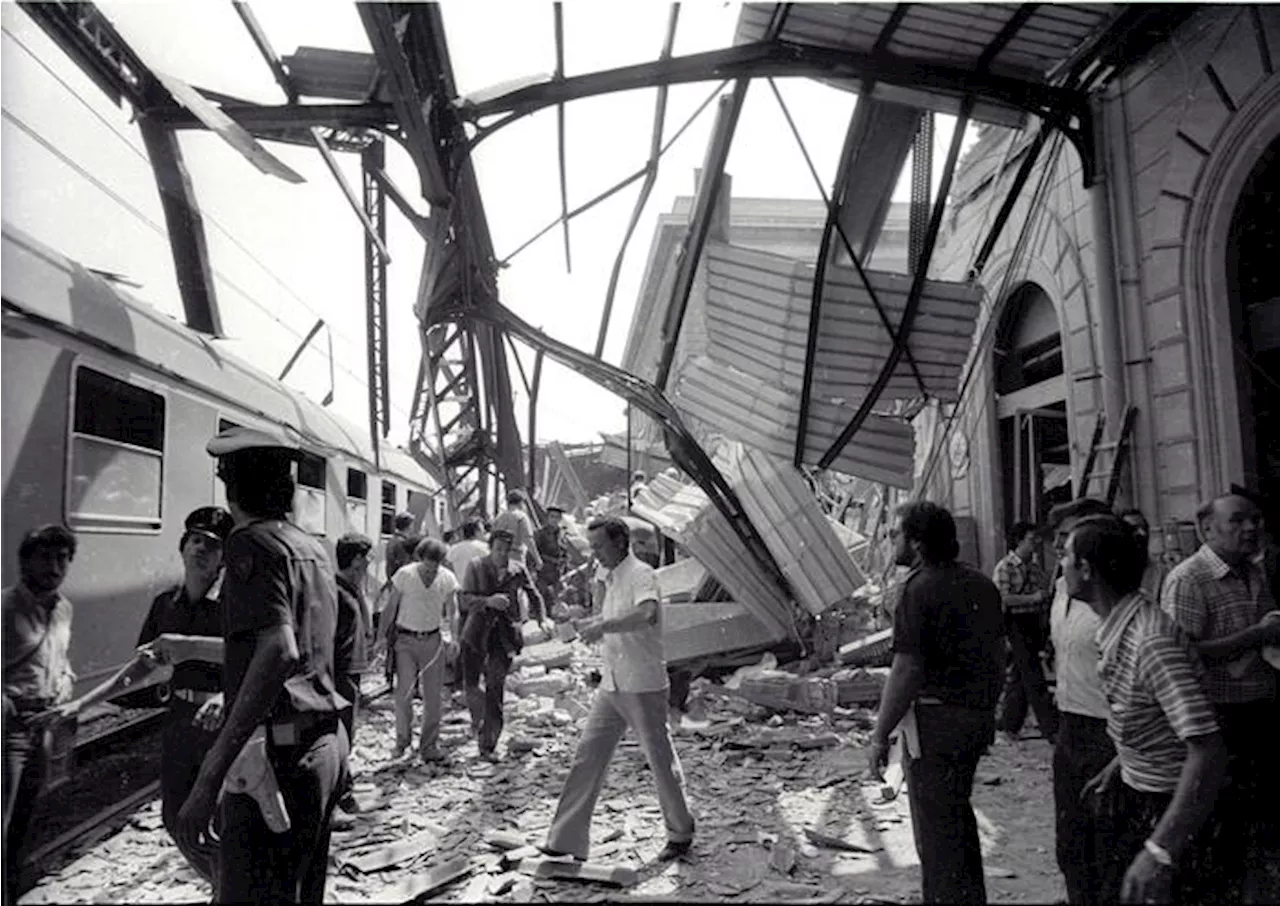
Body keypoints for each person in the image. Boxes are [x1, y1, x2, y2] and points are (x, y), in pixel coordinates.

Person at [175, 425, 348, 904]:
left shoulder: (249, 544)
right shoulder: (313, 547)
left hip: (278, 759)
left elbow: (279, 649)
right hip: (324, 745)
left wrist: (211, 773)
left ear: (230, 488)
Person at [1064, 516, 1226, 904]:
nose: (1062, 566)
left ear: (1086, 570)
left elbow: (1207, 749)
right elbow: (1155, 714)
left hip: (1172, 807)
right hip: (1142, 794)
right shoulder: (1120, 625)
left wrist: (1160, 849)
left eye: (1066, 556)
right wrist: (1122, 762)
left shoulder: (1151, 642)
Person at [867, 502, 1004, 904]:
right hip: (974, 719)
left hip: (936, 723)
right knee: (956, 818)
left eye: (897, 533)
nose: (892, 540)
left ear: (918, 541)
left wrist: (879, 735)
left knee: (937, 831)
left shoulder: (917, 589)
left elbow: (906, 669)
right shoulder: (981, 584)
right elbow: (998, 658)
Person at [542, 516, 695, 863]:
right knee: (588, 756)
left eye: (599, 546)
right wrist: (594, 623)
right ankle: (565, 839)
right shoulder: (609, 578)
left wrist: (604, 625)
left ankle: (681, 831)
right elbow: (612, 620)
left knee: (659, 759)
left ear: (620, 543)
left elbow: (648, 614)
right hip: (613, 683)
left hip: (642, 683)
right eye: (592, 547)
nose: (594, 554)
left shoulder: (641, 574)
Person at [1160, 493, 1280, 901]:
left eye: (1255, 519)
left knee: (1258, 825)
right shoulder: (1188, 579)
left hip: (1260, 710)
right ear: (1206, 529)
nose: (1250, 528)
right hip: (1217, 718)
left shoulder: (1254, 571)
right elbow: (1181, 655)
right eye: (1238, 521)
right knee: (1221, 828)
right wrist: (1256, 636)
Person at [135, 507, 234, 890]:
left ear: (223, 557)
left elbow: (251, 656)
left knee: (225, 818)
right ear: (182, 547)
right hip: (180, 718)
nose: (201, 550)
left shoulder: (232, 605)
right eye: (195, 540)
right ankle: (223, 885)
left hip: (222, 722)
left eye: (212, 545)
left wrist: (226, 695)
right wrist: (84, 702)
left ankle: (229, 890)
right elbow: (146, 661)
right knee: (176, 818)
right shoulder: (165, 603)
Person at [1046, 497, 1117, 906]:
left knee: (1107, 844)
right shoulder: (1061, 588)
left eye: (1066, 537)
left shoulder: (1115, 605)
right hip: (1070, 727)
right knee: (1070, 842)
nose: (1058, 546)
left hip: (1109, 732)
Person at [3, 525, 77, 906]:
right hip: (9, 729)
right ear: (25, 561)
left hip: (45, 726)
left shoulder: (64, 608)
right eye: (46, 557)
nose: (55, 566)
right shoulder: (5, 607)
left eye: (63, 558)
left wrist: (66, 680)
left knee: (26, 818)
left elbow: (59, 660)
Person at [457, 529, 544, 761]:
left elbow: (534, 594)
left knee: (496, 685)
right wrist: (488, 601)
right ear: (490, 548)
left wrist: (542, 619)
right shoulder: (476, 566)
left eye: (506, 550)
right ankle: (479, 721)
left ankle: (488, 743)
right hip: (476, 633)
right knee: (472, 685)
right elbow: (464, 600)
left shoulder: (517, 569)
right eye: (498, 549)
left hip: (504, 635)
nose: (502, 554)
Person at [382, 538, 458, 765]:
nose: (431, 570)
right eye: (427, 565)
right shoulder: (405, 575)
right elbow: (391, 607)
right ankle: (402, 742)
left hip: (432, 640)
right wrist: (380, 637)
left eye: (435, 565)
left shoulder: (447, 578)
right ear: (419, 559)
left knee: (433, 697)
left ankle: (429, 745)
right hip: (405, 639)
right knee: (403, 693)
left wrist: (454, 637)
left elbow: (453, 611)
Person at [992, 520, 1058, 743]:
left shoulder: (1034, 567)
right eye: (1031, 539)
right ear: (1019, 541)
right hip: (1015, 624)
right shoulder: (1005, 567)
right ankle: (1051, 728)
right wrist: (1032, 598)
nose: (1036, 543)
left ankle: (1010, 722)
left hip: (1033, 622)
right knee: (1033, 675)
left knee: (1021, 675)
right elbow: (1002, 599)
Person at [334, 533, 374, 814]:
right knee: (341, 734)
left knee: (347, 733)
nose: (370, 563)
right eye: (366, 557)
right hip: (341, 673)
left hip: (352, 671)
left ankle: (342, 790)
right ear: (357, 560)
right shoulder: (337, 592)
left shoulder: (353, 589)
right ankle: (342, 796)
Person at [1117, 508, 1169, 601]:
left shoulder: (1161, 572)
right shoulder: (1109, 574)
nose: (1142, 533)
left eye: (1144, 528)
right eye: (1134, 529)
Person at [492, 490, 542, 576]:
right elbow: (528, 539)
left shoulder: (499, 518)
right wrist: (538, 560)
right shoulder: (521, 517)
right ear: (521, 503)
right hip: (516, 559)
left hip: (499, 561)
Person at [534, 505, 570, 618]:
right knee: (542, 597)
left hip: (557, 572)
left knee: (558, 599)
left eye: (557, 517)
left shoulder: (562, 534)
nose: (554, 520)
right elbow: (534, 553)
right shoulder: (540, 534)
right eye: (552, 517)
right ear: (548, 518)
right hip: (544, 570)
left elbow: (565, 551)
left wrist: (565, 564)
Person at [446, 518, 488, 586]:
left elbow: (448, 567)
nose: (484, 532)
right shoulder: (485, 548)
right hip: (480, 590)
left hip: (460, 589)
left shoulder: (454, 549)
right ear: (476, 532)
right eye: (482, 530)